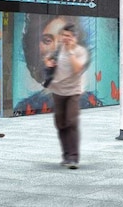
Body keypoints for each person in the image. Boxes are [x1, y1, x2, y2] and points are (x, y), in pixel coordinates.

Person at [45, 24, 88, 168]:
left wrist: (70, 52)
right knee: (61, 124)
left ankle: (74, 157)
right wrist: (49, 63)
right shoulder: (57, 49)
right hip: (57, 91)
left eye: (69, 36)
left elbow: (77, 70)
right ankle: (66, 155)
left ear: (74, 38)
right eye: (64, 35)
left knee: (71, 122)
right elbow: (47, 60)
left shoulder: (80, 51)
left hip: (73, 92)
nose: (66, 38)